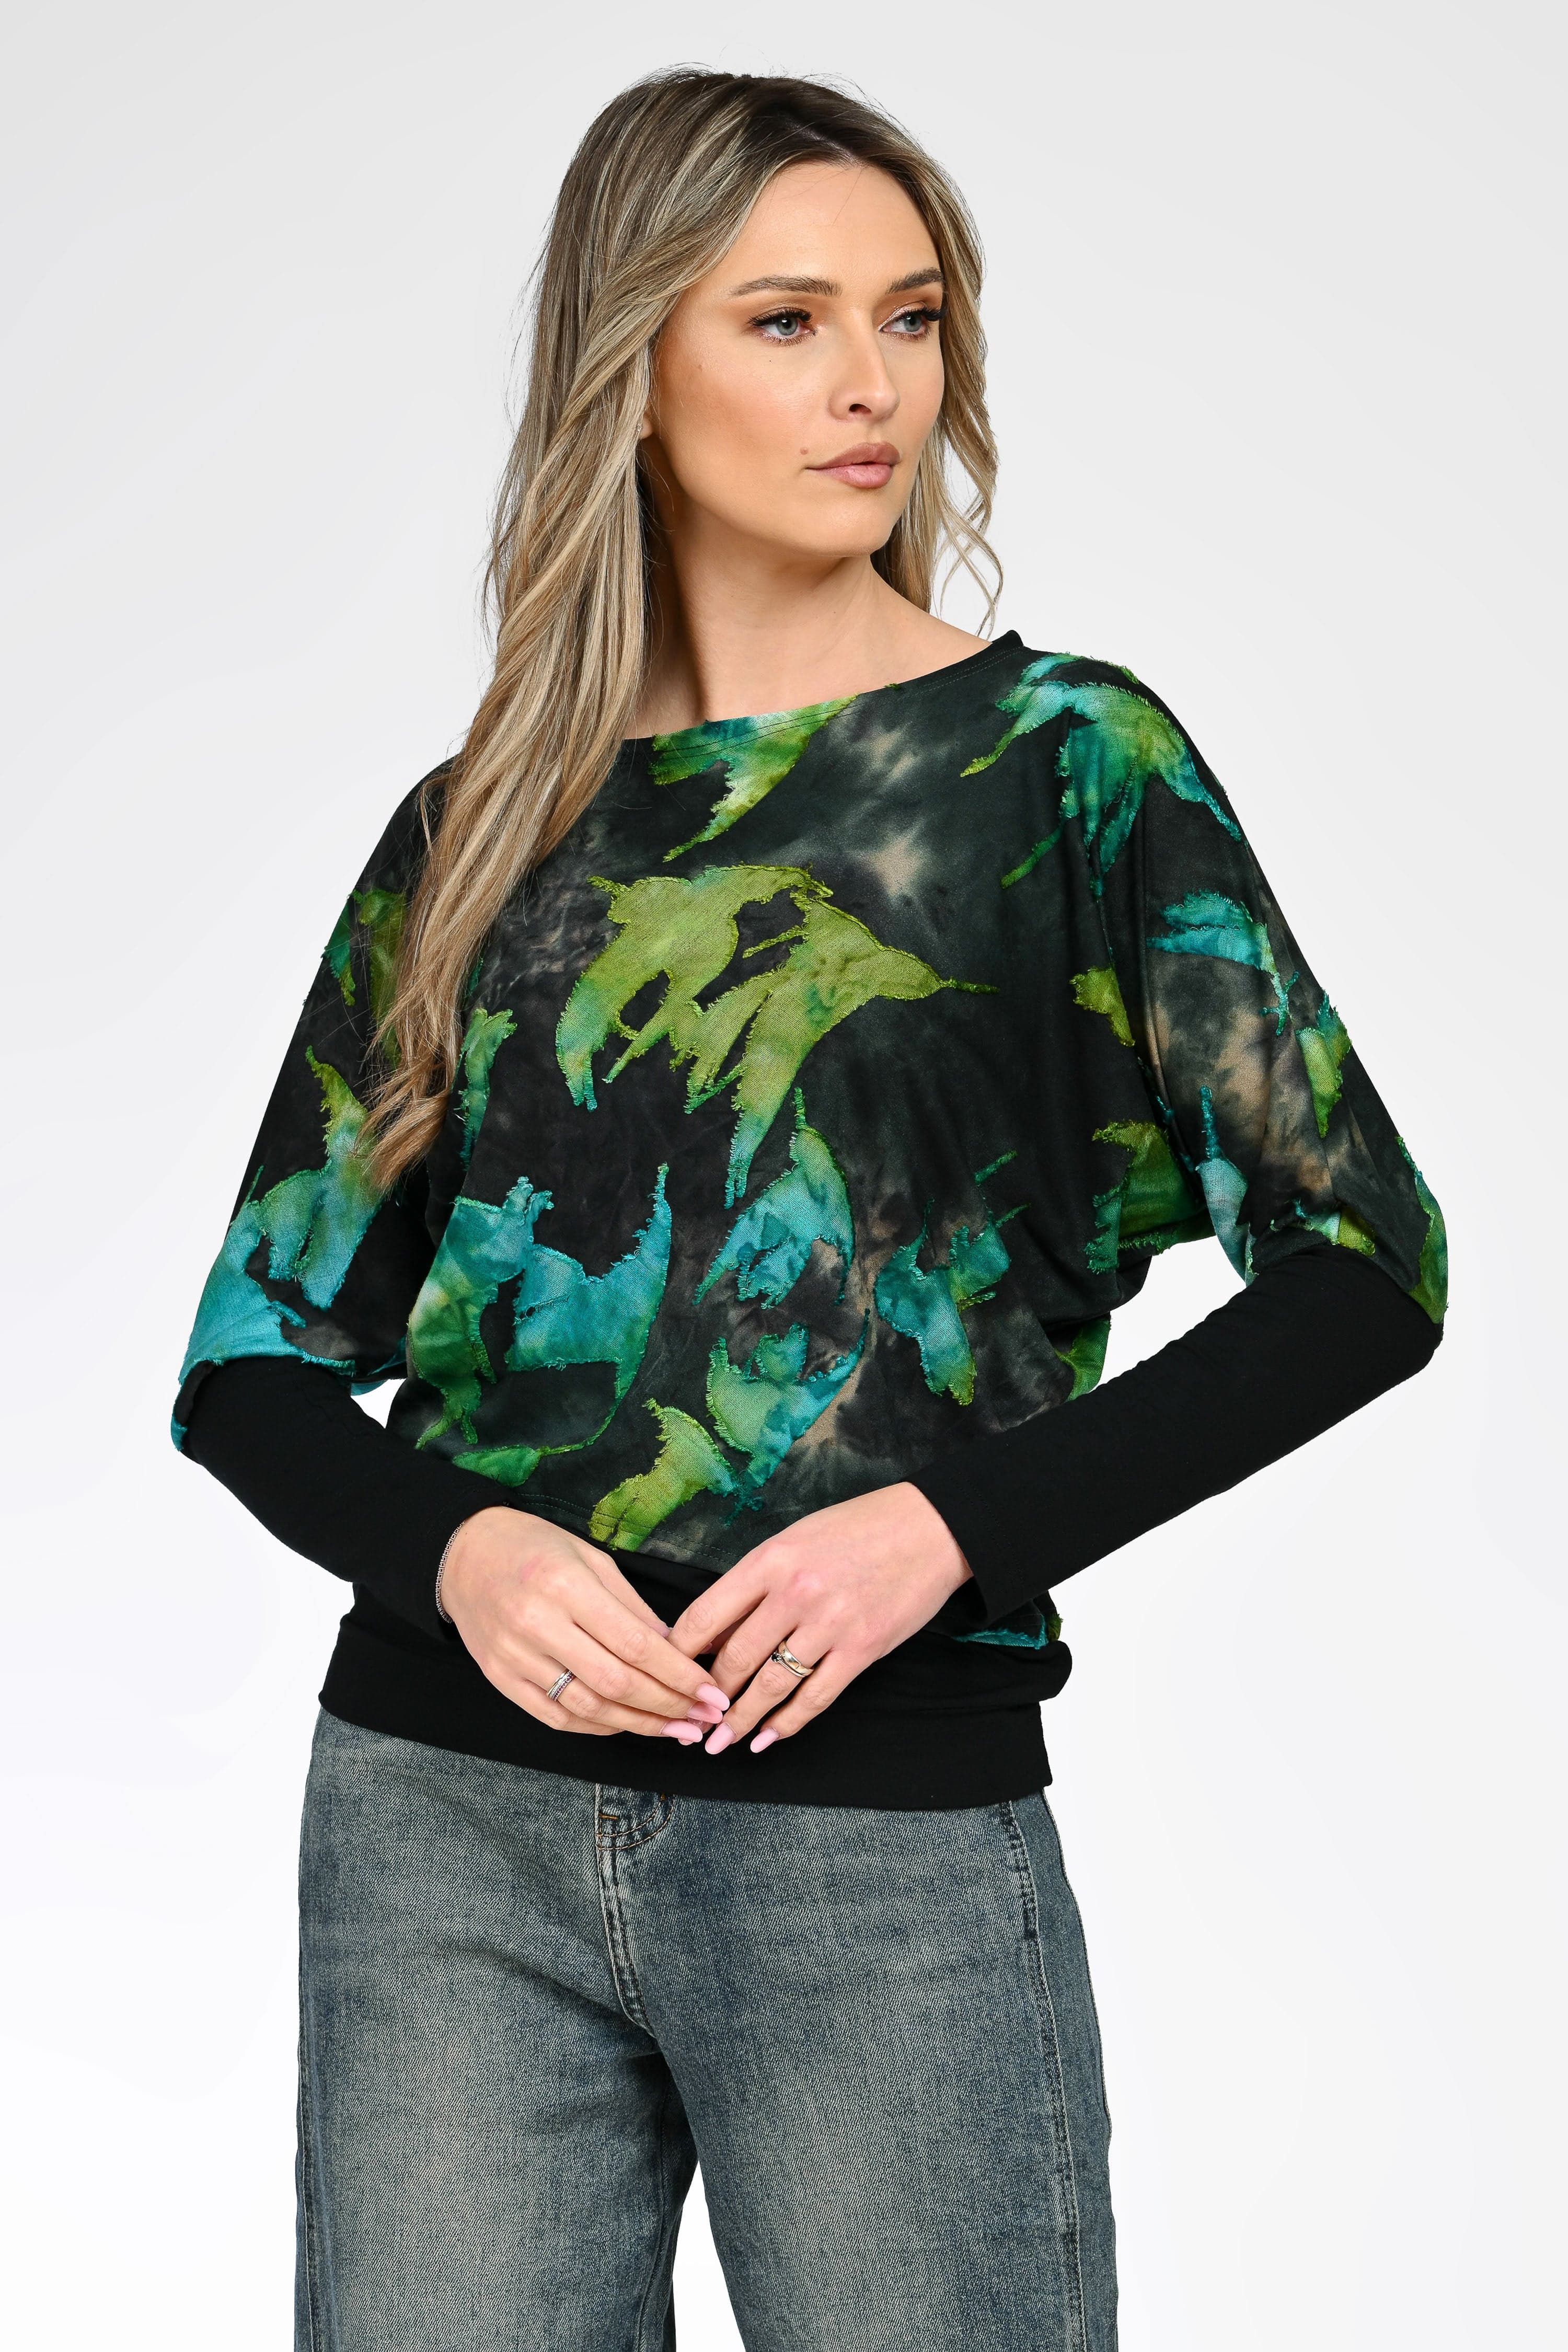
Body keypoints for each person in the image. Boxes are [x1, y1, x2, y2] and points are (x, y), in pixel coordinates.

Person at [172, 66, 1446, 2352]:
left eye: (911, 317)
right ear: (633, 367)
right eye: (786, 320)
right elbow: (251, 1363)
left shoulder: (1067, 768)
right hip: (444, 1830)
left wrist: (952, 1531)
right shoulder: (483, 826)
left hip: (880, 1831)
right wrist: (460, 1554)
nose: (872, 384)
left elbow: (1366, 1266)